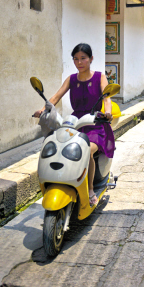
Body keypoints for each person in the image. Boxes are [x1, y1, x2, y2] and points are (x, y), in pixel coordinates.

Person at [33, 43, 115, 206]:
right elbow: (56, 97)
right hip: (76, 121)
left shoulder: (100, 77)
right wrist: (43, 110)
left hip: (95, 122)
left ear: (91, 59)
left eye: (83, 58)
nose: (79, 62)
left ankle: (90, 189)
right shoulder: (71, 79)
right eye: (76, 59)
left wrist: (107, 112)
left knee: (87, 150)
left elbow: (107, 98)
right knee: (62, 146)